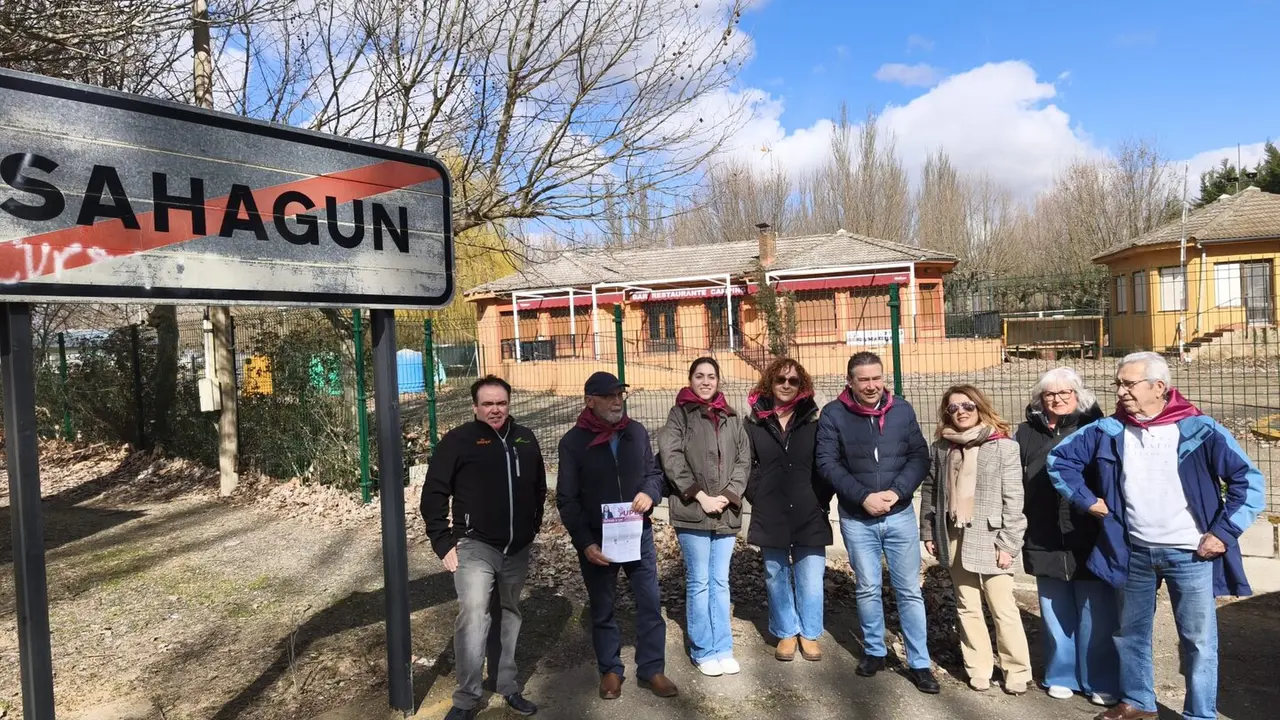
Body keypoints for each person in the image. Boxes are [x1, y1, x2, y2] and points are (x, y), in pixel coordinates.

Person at [1048, 352, 1266, 720]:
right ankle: (1138, 703)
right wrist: (1089, 502)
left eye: (1129, 384)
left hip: (1193, 553)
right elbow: (1059, 461)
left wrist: (1223, 532)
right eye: (1118, 384)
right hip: (1132, 551)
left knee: (1198, 641)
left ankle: (1200, 713)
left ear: (1159, 387)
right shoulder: (1109, 429)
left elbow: (1250, 483)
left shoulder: (1201, 429)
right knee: (1130, 634)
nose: (1120, 391)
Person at [420, 375, 546, 720]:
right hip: (475, 544)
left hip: (516, 547)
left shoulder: (525, 438)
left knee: (509, 614)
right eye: (488, 404)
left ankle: (507, 685)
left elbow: (539, 487)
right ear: (475, 406)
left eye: (501, 403)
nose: (495, 410)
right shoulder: (459, 441)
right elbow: (433, 494)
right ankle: (465, 699)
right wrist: (442, 542)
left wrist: (531, 526)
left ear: (509, 404)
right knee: (474, 614)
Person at [815, 351, 940, 694]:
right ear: (850, 382)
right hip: (857, 518)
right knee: (867, 587)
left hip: (898, 514)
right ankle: (874, 651)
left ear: (883, 378)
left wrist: (897, 493)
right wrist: (862, 497)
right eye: (863, 379)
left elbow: (919, 456)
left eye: (876, 378)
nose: (871, 386)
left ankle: (919, 662)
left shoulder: (902, 410)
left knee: (909, 591)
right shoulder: (834, 414)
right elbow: (827, 463)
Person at [556, 371, 679, 701]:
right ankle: (610, 669)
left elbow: (654, 474)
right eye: (608, 396)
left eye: (620, 394)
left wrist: (650, 494)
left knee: (650, 603)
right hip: (598, 540)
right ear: (589, 401)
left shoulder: (636, 433)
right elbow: (567, 499)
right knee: (603, 607)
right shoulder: (572, 442)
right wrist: (585, 543)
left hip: (637, 533)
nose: (616, 401)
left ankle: (652, 668)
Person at [1015, 367, 1119, 706]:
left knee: (1096, 612)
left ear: (1078, 395)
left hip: (1088, 532)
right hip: (1043, 531)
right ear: (1039, 399)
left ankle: (1099, 678)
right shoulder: (1025, 433)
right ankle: (1061, 675)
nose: (1057, 399)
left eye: (1065, 393)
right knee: (1055, 609)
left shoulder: (1098, 429)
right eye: (1049, 394)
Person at [920, 384, 1032, 695]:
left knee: (1002, 606)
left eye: (967, 406)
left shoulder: (1004, 447)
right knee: (966, 605)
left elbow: (1014, 499)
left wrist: (1009, 544)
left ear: (979, 407)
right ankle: (978, 667)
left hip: (992, 536)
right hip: (953, 533)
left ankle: (1016, 670)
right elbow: (931, 491)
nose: (961, 412)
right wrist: (929, 531)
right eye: (953, 408)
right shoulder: (941, 448)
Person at [658, 357, 751, 677]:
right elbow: (671, 458)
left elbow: (744, 459)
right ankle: (702, 649)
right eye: (700, 376)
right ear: (690, 379)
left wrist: (726, 496)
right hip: (693, 512)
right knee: (699, 582)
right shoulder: (679, 414)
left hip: (725, 513)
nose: (706, 381)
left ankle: (723, 647)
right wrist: (700, 495)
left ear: (719, 380)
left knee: (720, 581)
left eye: (712, 376)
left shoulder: (732, 415)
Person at [742, 357, 833, 663]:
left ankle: (809, 633)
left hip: (809, 508)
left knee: (810, 574)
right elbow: (747, 465)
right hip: (770, 509)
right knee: (775, 573)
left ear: (801, 385)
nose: (786, 385)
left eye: (793, 381)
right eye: (780, 380)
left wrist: (819, 497)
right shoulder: (754, 421)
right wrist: (759, 494)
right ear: (770, 382)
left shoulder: (814, 419)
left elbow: (826, 463)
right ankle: (785, 631)